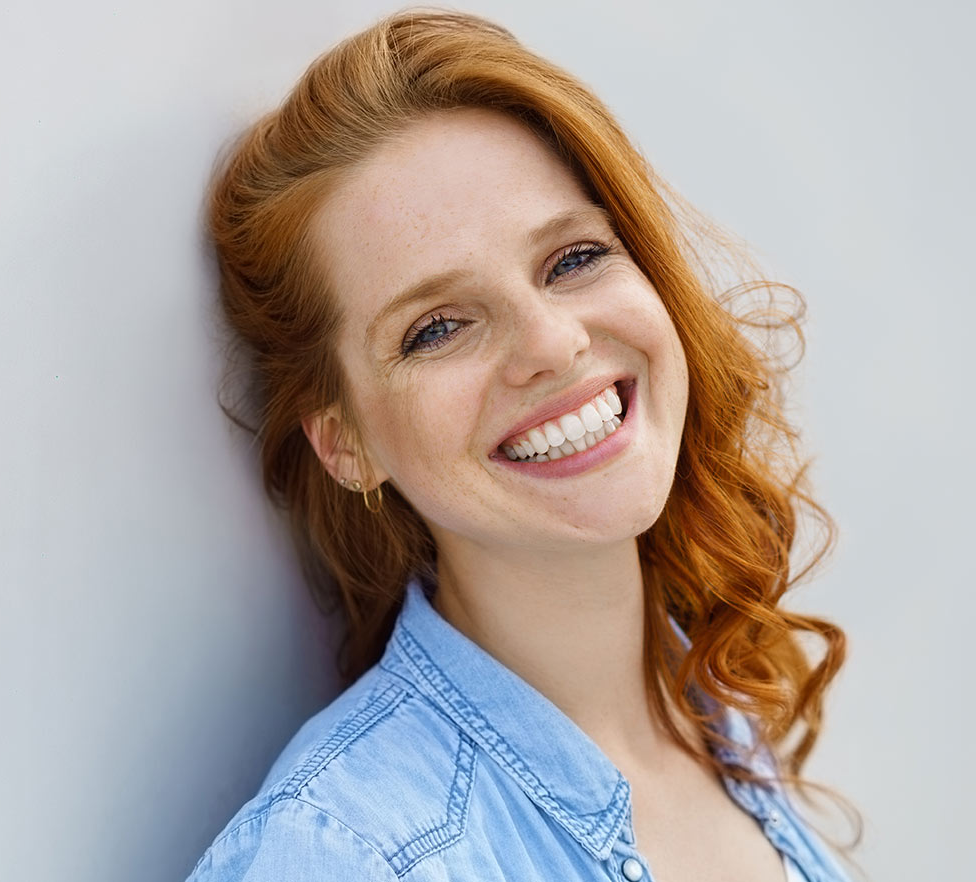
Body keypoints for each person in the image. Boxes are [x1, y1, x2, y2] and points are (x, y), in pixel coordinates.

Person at [190, 8, 861, 882]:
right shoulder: (339, 855)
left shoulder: (716, 710)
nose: (552, 343)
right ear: (345, 443)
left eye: (574, 258)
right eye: (436, 329)